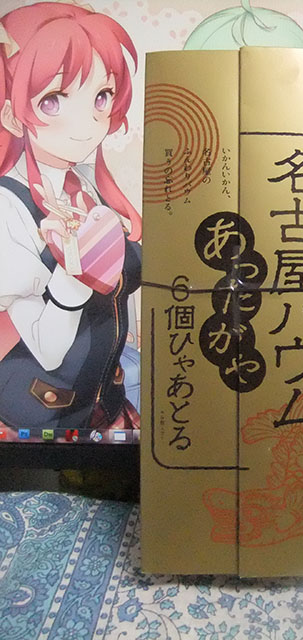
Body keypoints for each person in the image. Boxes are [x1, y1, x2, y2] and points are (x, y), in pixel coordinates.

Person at [0, 2, 142, 436]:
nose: (88, 123)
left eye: (101, 97)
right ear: (11, 114)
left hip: (102, 399)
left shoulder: (88, 188)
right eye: (53, 101)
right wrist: (72, 273)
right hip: (39, 417)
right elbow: (48, 349)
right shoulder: (8, 206)